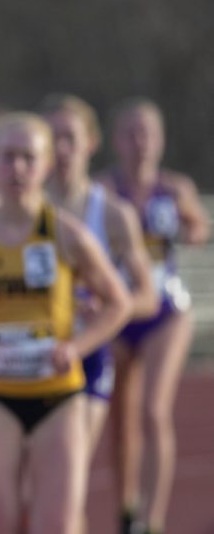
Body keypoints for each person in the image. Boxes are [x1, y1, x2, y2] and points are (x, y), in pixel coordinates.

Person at [0, 112, 131, 534]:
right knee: (1, 522)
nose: (17, 168)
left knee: (60, 525)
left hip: (58, 396)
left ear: (47, 164)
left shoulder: (66, 234)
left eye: (28, 158)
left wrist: (77, 346)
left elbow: (119, 303)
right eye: (8, 157)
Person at [96, 98, 210, 534]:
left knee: (154, 410)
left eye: (148, 133)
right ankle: (127, 511)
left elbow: (198, 230)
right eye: (131, 133)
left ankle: (153, 518)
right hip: (122, 309)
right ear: (116, 140)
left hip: (165, 308)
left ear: (160, 141)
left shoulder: (175, 188)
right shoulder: (104, 190)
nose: (140, 143)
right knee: (121, 418)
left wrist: (186, 226)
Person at [42, 94, 158, 455]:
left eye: (70, 139)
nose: (62, 150)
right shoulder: (17, 211)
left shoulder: (112, 214)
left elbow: (148, 296)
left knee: (67, 474)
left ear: (90, 143)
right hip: (26, 354)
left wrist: (105, 306)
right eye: (53, 139)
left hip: (85, 354)